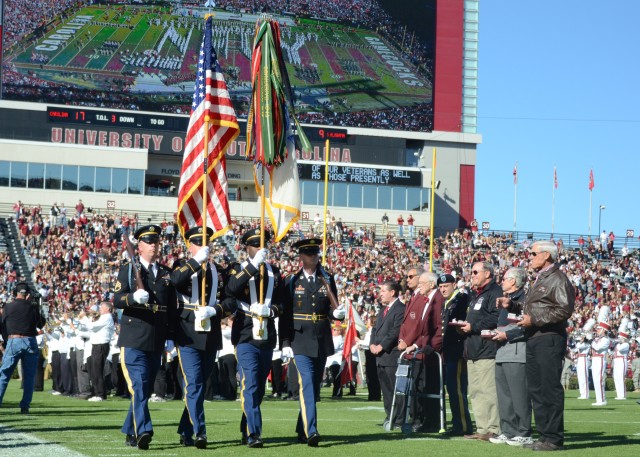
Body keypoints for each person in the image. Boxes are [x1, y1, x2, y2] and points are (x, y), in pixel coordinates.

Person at [113, 224, 177, 450]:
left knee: (144, 389)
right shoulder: (129, 270)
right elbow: (116, 299)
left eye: (156, 242)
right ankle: (144, 430)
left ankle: (130, 430)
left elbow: (170, 308)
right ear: (138, 246)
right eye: (149, 242)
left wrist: (170, 337)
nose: (154, 245)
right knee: (139, 387)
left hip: (156, 339)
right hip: (133, 339)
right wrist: (132, 298)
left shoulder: (166, 273)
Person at [224, 228, 285, 448]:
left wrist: (272, 311)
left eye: (263, 245)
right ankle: (254, 433)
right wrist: (252, 266)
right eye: (255, 245)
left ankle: (246, 425)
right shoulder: (236, 269)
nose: (261, 248)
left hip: (267, 333)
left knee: (258, 386)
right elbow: (231, 289)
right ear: (246, 247)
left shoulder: (274, 272)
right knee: (249, 382)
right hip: (245, 333)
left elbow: (282, 303)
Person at [281, 237, 343, 447]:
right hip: (299, 338)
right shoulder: (291, 281)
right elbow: (285, 315)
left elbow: (332, 308)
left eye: (316, 254)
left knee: (314, 388)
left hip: (321, 336)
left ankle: (301, 428)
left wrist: (338, 314)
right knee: (306, 383)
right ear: (301, 257)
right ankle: (312, 431)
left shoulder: (327, 278)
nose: (314, 257)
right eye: (309, 254)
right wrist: (286, 342)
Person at [170, 226, 227, 449]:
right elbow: (175, 280)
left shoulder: (218, 270)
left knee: (200, 386)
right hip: (187, 332)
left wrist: (216, 310)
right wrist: (195, 262)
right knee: (193, 383)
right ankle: (199, 431)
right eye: (198, 243)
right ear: (189, 245)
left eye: (207, 243)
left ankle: (186, 428)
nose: (204, 246)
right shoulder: (180, 265)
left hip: (210, 330)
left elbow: (229, 299)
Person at [518, 240, 575, 451]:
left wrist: (534, 320)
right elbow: (538, 307)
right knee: (536, 388)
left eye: (533, 254)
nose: (530, 257)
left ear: (546, 256)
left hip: (549, 338)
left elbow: (564, 309)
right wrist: (512, 305)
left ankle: (553, 438)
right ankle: (544, 436)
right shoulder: (541, 278)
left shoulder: (558, 279)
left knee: (548, 388)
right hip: (535, 337)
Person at [490, 267, 533, 446]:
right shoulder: (505, 300)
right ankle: (508, 431)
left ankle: (524, 431)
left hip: (516, 349)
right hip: (501, 349)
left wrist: (507, 335)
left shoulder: (524, 300)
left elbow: (526, 326)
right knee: (504, 395)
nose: (502, 282)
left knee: (519, 394)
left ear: (514, 281)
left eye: (505, 279)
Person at [459, 261, 501, 441]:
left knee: (489, 391)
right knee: (475, 392)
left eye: (476, 271)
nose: (472, 274)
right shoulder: (475, 295)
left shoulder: (494, 292)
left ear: (487, 274)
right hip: (473, 350)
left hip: (487, 349)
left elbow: (495, 316)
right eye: (472, 271)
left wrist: (473, 326)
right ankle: (482, 428)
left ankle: (494, 428)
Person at [405, 271, 444, 432]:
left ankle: (432, 422)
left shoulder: (438, 300)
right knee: (425, 388)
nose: (418, 285)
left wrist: (431, 346)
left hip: (432, 352)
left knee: (432, 387)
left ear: (431, 284)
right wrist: (416, 345)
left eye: (421, 282)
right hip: (424, 348)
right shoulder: (427, 299)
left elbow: (439, 328)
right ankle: (427, 421)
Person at [0, 282, 46, 414]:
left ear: (16, 293)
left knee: (4, 375)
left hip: (14, 340)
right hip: (30, 341)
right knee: (29, 377)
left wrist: (6, 340)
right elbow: (41, 323)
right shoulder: (32, 307)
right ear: (27, 295)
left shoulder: (8, 307)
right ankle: (25, 406)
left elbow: (2, 324)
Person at [437, 274, 473, 436]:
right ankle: (458, 423)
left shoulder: (462, 298)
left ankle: (463, 425)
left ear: (453, 285)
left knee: (457, 390)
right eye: (440, 287)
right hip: (449, 351)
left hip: (457, 351)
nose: (443, 289)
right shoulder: (449, 302)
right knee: (452, 389)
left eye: (445, 286)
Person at [369, 280, 405, 429]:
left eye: (383, 291)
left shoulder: (401, 309)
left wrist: (381, 346)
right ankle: (390, 416)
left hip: (392, 355)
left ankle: (399, 419)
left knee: (395, 389)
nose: (380, 294)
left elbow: (395, 331)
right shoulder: (382, 310)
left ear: (392, 292)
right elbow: (375, 329)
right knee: (386, 390)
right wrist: (372, 343)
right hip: (380, 357)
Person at [80, 302, 115, 402]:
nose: (100, 309)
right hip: (96, 345)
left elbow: (91, 327)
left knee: (97, 370)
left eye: (102, 307)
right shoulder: (103, 318)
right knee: (94, 370)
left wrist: (84, 318)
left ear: (107, 309)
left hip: (101, 345)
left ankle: (100, 394)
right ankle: (97, 392)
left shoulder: (107, 317)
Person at [590, 307, 611, 407]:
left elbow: (597, 348)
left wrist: (591, 341)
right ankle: (599, 399)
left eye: (599, 329)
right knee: (595, 379)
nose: (597, 330)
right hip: (595, 359)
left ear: (604, 330)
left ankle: (602, 399)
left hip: (600, 359)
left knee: (599, 380)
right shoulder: (598, 338)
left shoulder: (606, 340)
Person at [612, 324, 630, 400]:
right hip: (617, 361)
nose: (619, 339)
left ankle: (622, 394)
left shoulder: (626, 344)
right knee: (616, 377)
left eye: (620, 338)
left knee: (621, 377)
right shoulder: (619, 344)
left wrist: (618, 343)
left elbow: (620, 349)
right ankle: (619, 394)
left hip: (622, 360)